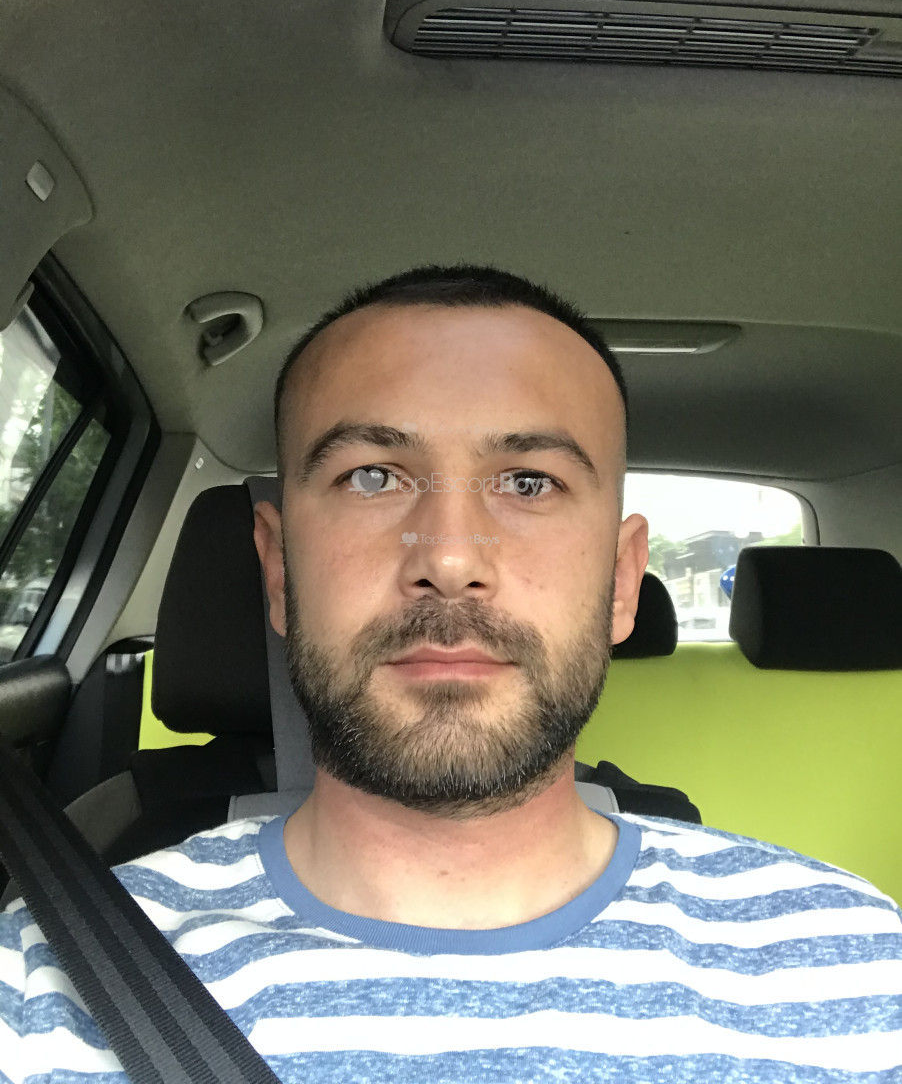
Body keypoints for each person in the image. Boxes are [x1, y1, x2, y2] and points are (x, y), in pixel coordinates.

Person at [2, 265, 901, 1082]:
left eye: (528, 482)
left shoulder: (854, 963)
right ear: (278, 571)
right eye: (371, 477)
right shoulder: (45, 988)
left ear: (624, 581)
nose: (450, 559)